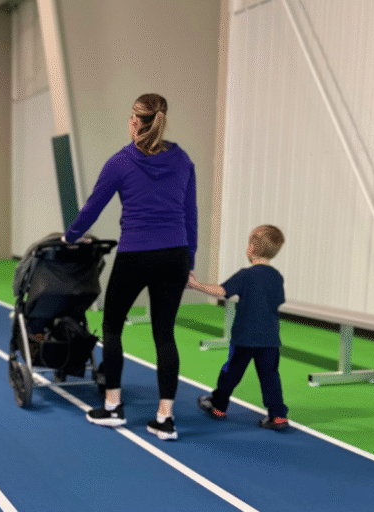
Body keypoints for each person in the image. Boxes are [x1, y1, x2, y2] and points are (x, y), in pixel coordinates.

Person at [63, 93, 197, 441]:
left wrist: (70, 236)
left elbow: (93, 206)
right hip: (175, 254)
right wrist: (189, 261)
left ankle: (112, 408)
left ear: (136, 122)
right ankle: (165, 418)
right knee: (164, 334)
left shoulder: (121, 161)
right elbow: (190, 216)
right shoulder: (183, 161)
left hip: (137, 253)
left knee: (112, 326)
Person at [187, 224, 289, 431]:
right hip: (270, 339)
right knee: (270, 377)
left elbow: (221, 291)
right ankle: (278, 416)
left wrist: (196, 285)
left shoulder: (246, 275)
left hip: (244, 337)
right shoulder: (277, 277)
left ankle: (218, 406)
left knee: (231, 373)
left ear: (251, 247)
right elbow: (278, 302)